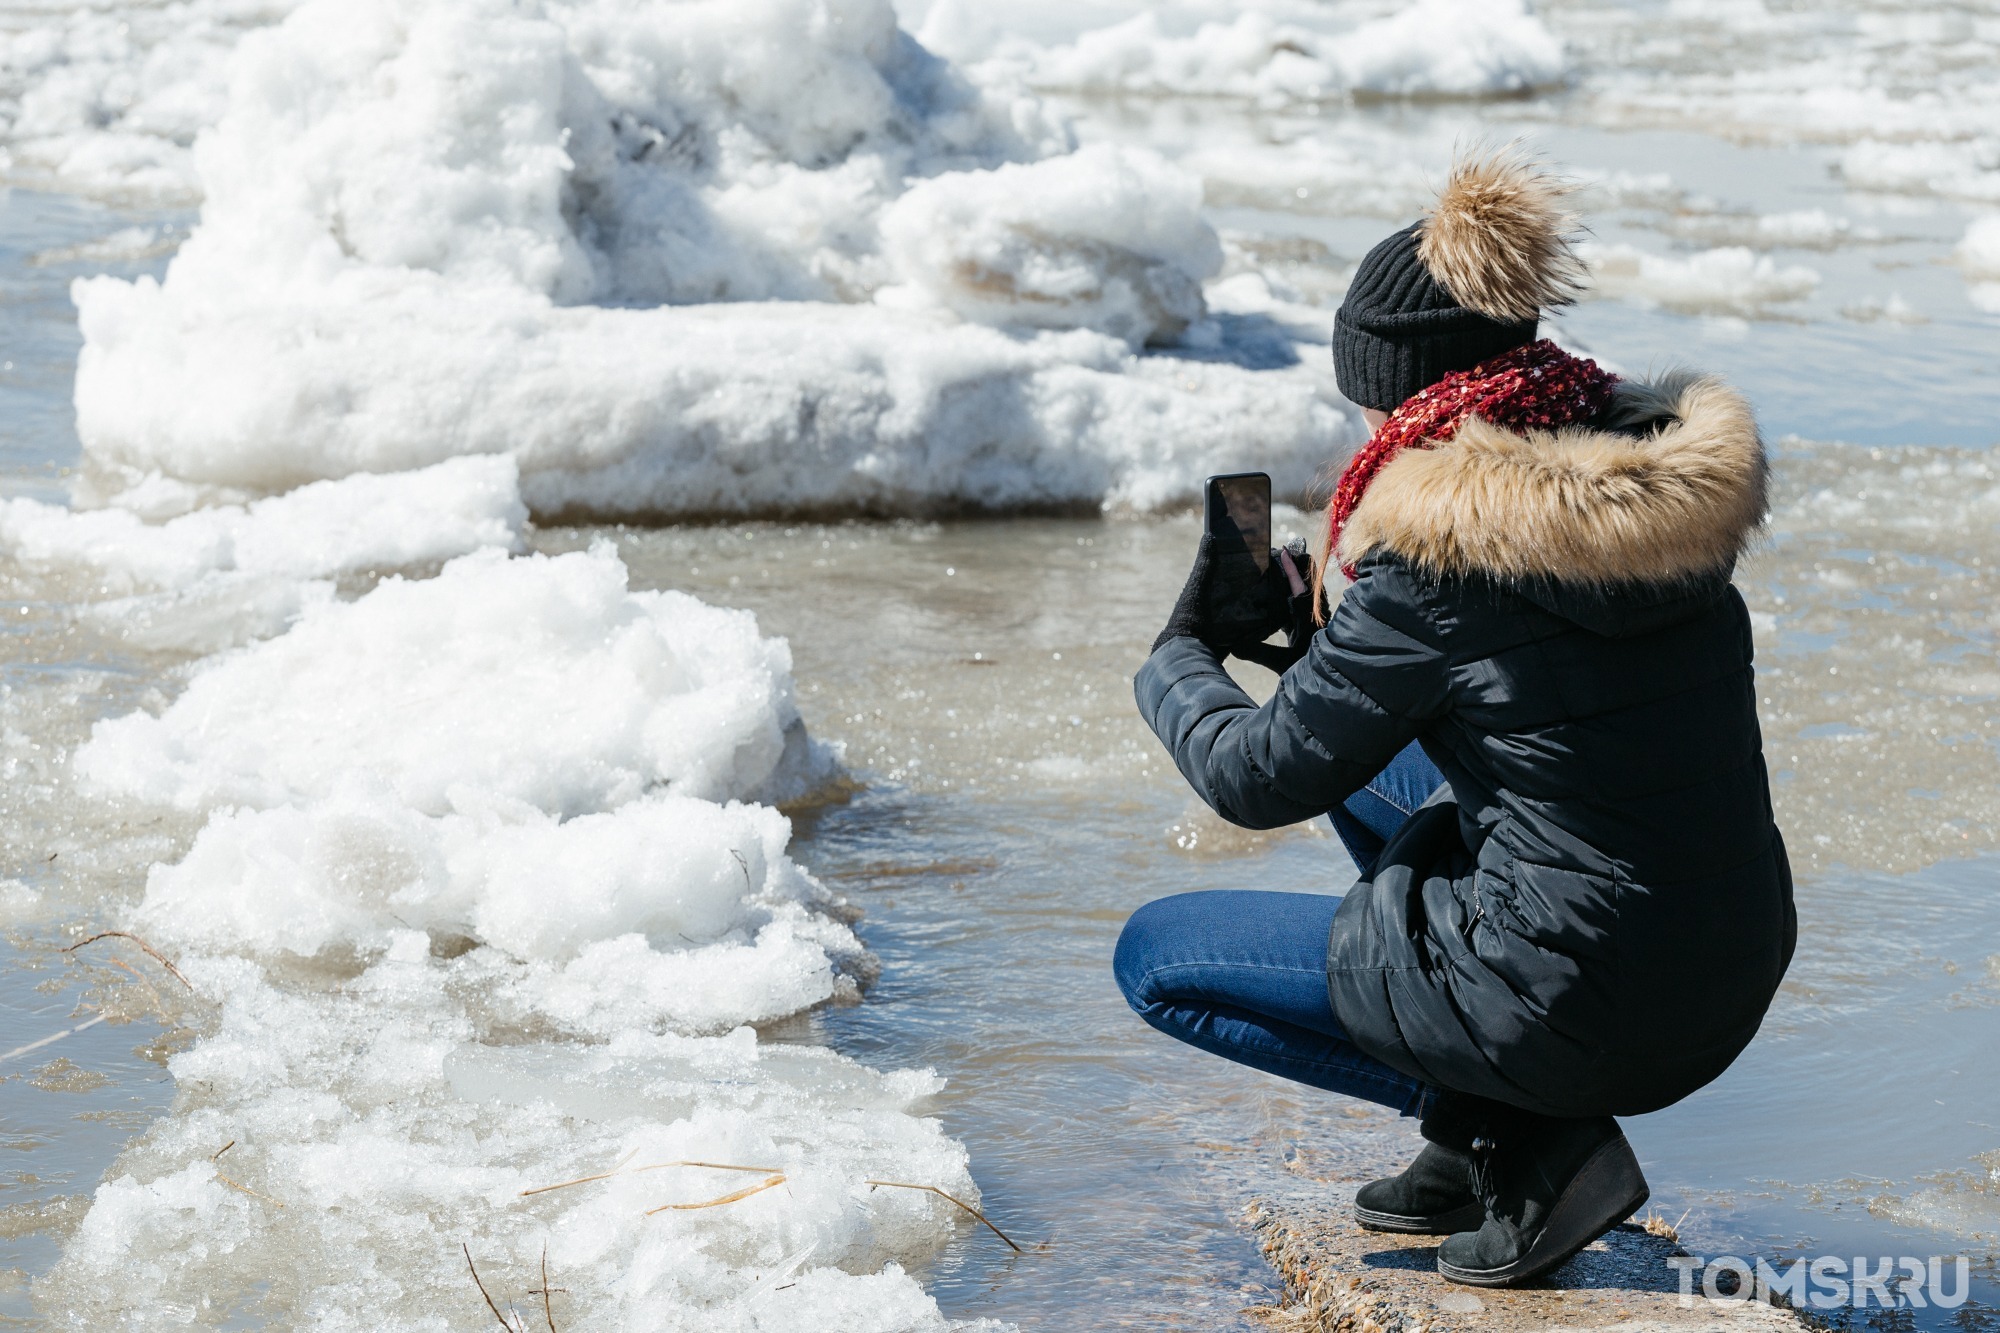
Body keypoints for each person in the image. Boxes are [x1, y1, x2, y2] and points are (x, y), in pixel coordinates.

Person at [1114, 152, 1795, 1288]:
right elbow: (1528, 693)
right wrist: (1332, 654)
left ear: (1416, 392)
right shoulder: (1641, 488)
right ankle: (1470, 1137)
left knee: (1159, 960)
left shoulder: (1438, 559)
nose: (1370, 425)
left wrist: (1177, 659)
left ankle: (1523, 1142)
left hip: (1585, 998)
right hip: (1720, 964)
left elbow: (1253, 779)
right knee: (1369, 770)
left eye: (1373, 399)